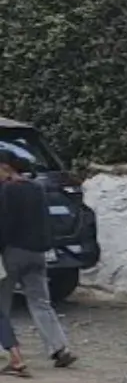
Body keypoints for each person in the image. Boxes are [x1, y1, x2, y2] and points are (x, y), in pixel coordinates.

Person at [0, 156, 74, 368]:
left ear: (6, 167)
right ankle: (59, 348)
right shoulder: (37, 188)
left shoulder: (7, 190)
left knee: (2, 305)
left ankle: (10, 353)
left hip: (12, 252)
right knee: (41, 303)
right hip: (37, 253)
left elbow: (4, 223)